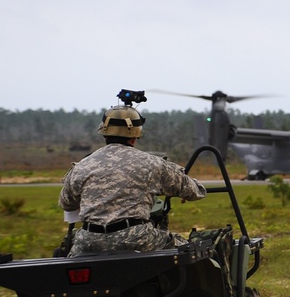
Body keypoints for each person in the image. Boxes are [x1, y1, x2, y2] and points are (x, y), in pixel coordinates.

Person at [59, 91, 208, 256]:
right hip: (135, 239)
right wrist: (193, 188)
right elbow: (193, 190)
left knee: (65, 255)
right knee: (189, 250)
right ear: (135, 134)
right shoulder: (152, 163)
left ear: (104, 131)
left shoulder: (82, 166)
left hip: (88, 241)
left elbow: (67, 203)